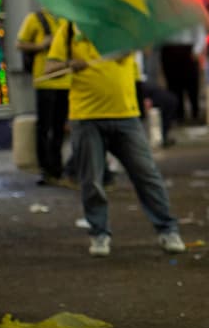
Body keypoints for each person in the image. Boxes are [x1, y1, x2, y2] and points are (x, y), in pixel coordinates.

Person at [45, 21, 186, 258]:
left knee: (147, 175)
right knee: (91, 180)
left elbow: (144, 48)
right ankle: (99, 233)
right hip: (86, 116)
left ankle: (168, 229)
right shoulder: (69, 29)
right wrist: (70, 64)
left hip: (125, 115)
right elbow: (50, 67)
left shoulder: (123, 26)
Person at [16, 7, 71, 186]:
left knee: (59, 127)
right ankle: (45, 170)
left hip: (66, 81)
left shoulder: (67, 19)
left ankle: (57, 168)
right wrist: (40, 46)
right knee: (44, 127)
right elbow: (20, 44)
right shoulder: (35, 18)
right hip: (44, 81)